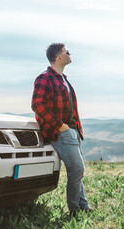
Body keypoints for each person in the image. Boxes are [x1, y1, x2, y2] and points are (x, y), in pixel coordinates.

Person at [31, 43, 91, 217]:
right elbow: (37, 105)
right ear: (59, 57)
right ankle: (75, 210)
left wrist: (74, 129)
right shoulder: (45, 78)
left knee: (77, 171)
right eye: (67, 52)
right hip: (62, 132)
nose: (70, 54)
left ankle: (83, 207)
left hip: (72, 131)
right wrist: (60, 125)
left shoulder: (63, 78)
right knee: (77, 170)